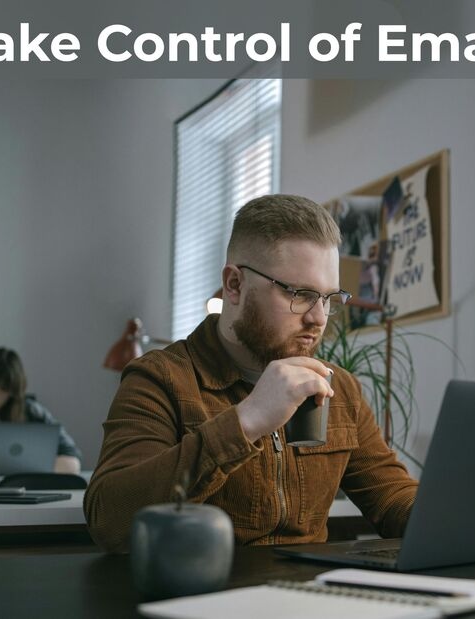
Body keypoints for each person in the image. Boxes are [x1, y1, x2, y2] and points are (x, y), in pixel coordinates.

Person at [84, 194, 418, 553]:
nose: (318, 318)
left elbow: (392, 497)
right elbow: (110, 520)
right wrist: (246, 421)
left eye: (328, 298)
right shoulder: (160, 378)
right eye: (300, 293)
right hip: (204, 595)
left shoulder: (340, 389)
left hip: (306, 597)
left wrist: (464, 521)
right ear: (234, 285)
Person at [0, 347, 82, 473]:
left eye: (3, 388)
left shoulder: (31, 411)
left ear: (13, 390)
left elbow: (73, 460)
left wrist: (27, 464)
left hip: (20, 489)